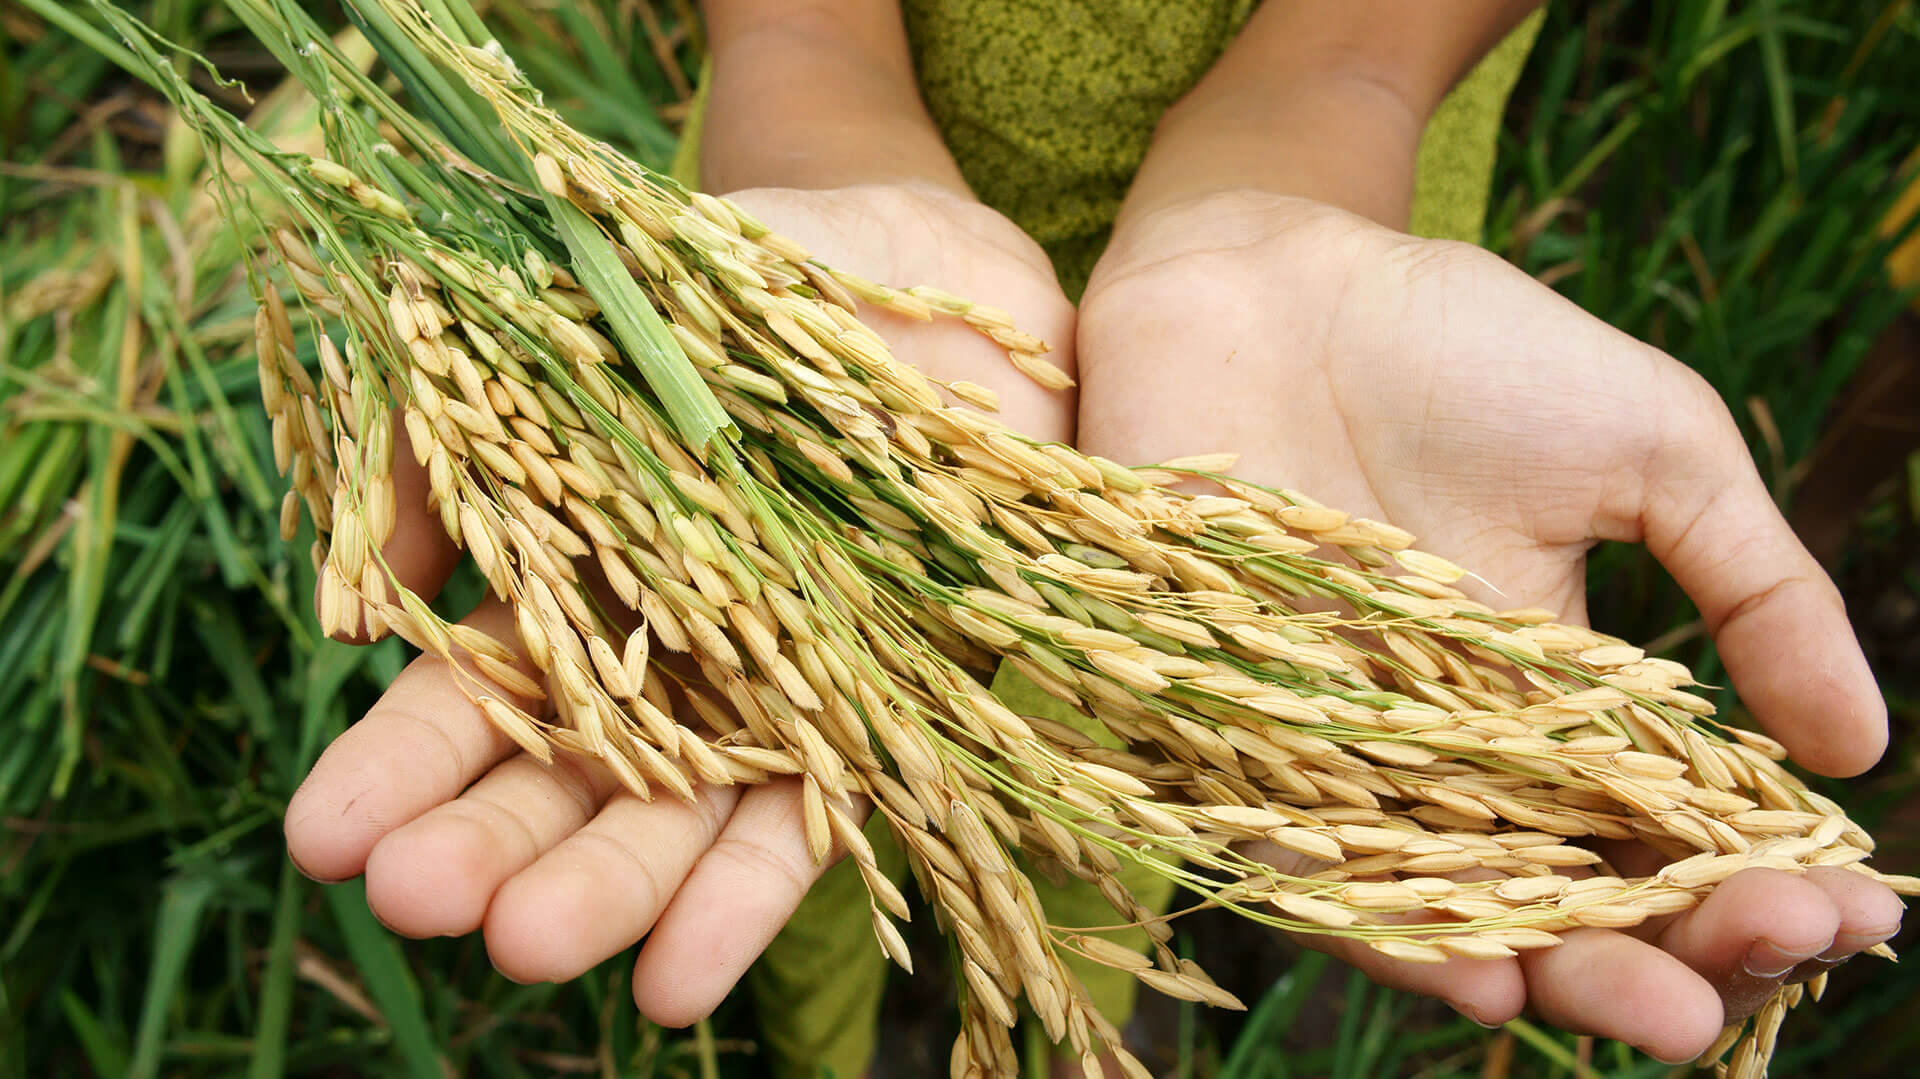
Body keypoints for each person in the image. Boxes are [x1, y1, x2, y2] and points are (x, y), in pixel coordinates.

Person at [281, 3, 1904, 1077]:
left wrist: (1307, 128)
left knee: (1170, 748)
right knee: (812, 748)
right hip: (825, 279)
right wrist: (805, 79)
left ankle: (1068, 1001)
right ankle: (848, 1024)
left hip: (1307, 301)